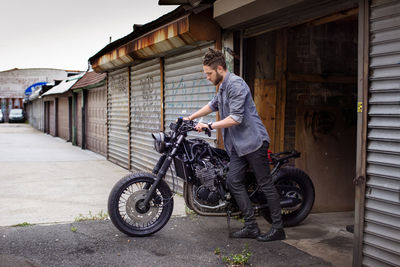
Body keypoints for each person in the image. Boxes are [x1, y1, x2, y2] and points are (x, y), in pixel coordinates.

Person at [184, 48, 285, 242]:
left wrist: (209, 125)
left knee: (265, 184)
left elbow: (236, 118)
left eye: (209, 74)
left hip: (254, 143)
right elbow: (213, 105)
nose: (207, 78)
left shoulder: (236, 84)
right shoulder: (222, 86)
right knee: (233, 181)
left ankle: (278, 228)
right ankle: (251, 226)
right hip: (239, 146)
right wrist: (191, 117)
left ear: (220, 68)